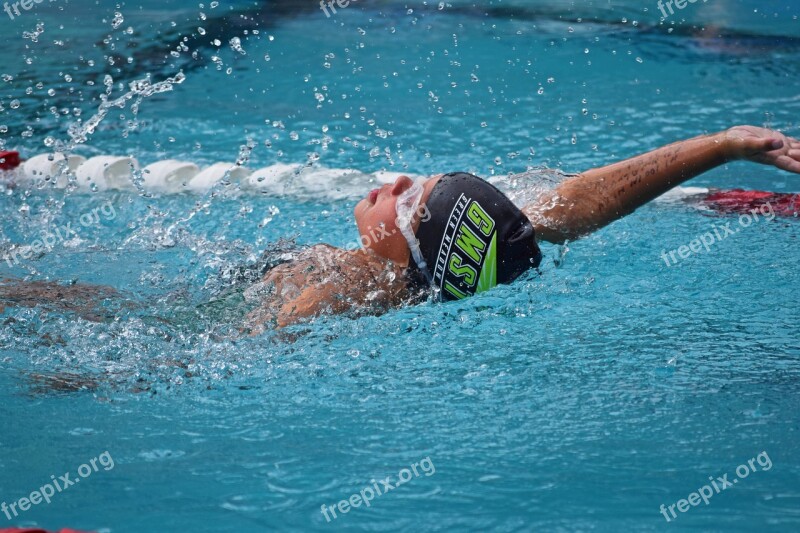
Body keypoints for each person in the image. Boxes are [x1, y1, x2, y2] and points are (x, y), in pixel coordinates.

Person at [244, 125, 800, 331]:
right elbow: (580, 203)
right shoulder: (438, 266)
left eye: (409, 199)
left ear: (415, 254)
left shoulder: (335, 291)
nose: (397, 182)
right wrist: (724, 146)